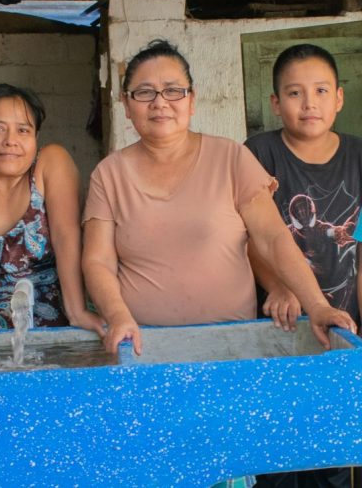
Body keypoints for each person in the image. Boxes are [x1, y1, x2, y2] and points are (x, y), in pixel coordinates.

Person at [81, 40, 356, 488]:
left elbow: (272, 238)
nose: (160, 102)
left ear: (191, 100)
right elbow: (96, 260)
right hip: (145, 356)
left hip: (231, 357)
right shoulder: (108, 174)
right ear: (126, 106)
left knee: (226, 469)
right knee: (157, 470)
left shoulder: (230, 157)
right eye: (144, 92)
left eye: (173, 90)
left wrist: (317, 304)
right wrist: (117, 315)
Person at [245, 44, 361, 488]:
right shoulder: (259, 153)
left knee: (333, 453)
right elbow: (249, 236)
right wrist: (278, 285)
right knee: (277, 451)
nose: (309, 103)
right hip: (279, 325)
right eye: (295, 93)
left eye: (321, 91)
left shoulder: (359, 156)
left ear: (339, 98)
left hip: (341, 327)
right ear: (276, 103)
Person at [0, 83, 104, 335]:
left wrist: (78, 312)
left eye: (23, 130)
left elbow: (66, 237)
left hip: (54, 335)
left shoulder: (50, 164)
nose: (11, 141)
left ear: (35, 137)